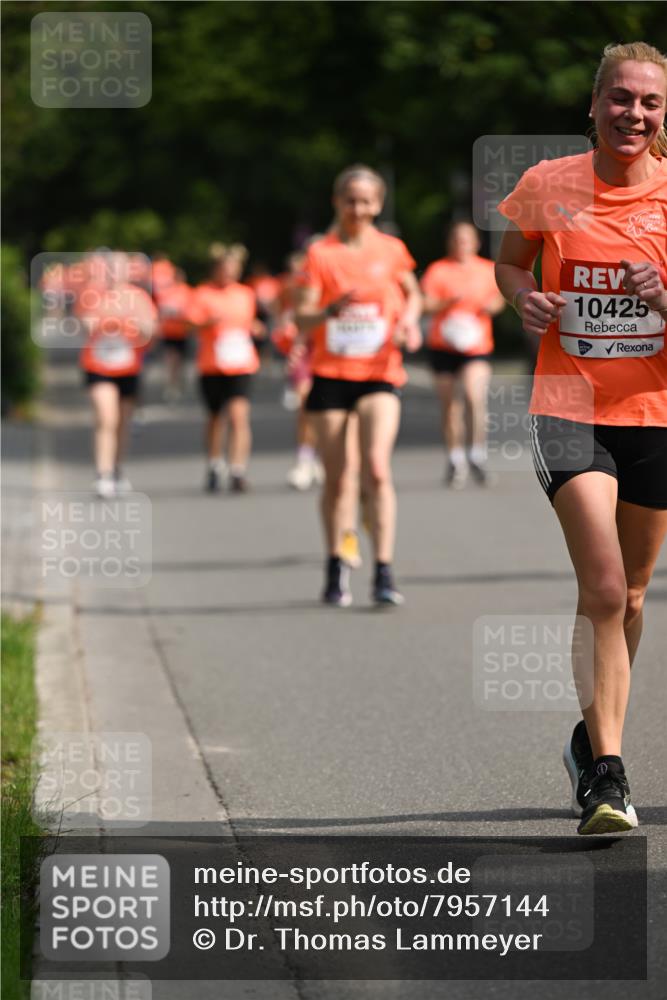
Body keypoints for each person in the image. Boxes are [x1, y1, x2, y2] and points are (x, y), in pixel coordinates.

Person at [495, 41, 667, 834]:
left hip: (653, 414)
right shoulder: (547, 184)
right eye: (620, 98)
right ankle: (606, 775)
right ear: (593, 105)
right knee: (601, 587)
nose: (633, 114)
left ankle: (584, 738)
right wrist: (523, 300)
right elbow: (510, 265)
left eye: (650, 103)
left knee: (630, 594)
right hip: (566, 404)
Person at [294, 164, 422, 606]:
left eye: (366, 200)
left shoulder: (391, 249)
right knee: (338, 479)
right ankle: (335, 563)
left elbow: (413, 292)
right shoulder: (320, 254)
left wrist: (408, 320)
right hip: (330, 375)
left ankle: (384, 571)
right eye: (350, 200)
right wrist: (330, 310)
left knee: (376, 469)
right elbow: (301, 316)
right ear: (337, 203)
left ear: (378, 204)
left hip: (379, 373)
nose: (358, 208)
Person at [421, 222, 505, 487]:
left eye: (466, 239)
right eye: (457, 239)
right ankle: (456, 458)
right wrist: (447, 303)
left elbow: (499, 298)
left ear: (475, 242)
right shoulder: (438, 270)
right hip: (443, 345)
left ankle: (477, 454)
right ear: (450, 243)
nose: (461, 244)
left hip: (476, 346)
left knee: (473, 395)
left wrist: (492, 306)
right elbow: (424, 304)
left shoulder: (487, 269)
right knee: (450, 405)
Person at [77, 252, 157, 497]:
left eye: (119, 268)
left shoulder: (139, 297)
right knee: (106, 417)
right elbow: (85, 325)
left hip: (128, 366)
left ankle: (117, 469)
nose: (114, 273)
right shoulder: (93, 295)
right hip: (99, 365)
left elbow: (150, 331)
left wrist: (134, 323)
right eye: (110, 268)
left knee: (122, 422)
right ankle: (102, 473)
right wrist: (109, 321)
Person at [187, 244, 262, 493]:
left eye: (233, 269)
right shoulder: (202, 293)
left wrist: (255, 327)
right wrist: (206, 323)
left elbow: (249, 321)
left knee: (239, 416)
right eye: (224, 269)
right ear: (215, 270)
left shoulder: (245, 294)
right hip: (212, 365)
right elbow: (189, 326)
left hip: (241, 362)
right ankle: (214, 463)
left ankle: (238, 469)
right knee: (215, 418)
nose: (228, 273)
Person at [155, 266, 193, 402]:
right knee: (171, 360)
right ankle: (171, 385)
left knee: (180, 361)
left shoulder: (187, 291)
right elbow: (160, 310)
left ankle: (179, 383)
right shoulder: (166, 292)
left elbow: (193, 311)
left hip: (182, 332)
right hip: (169, 332)